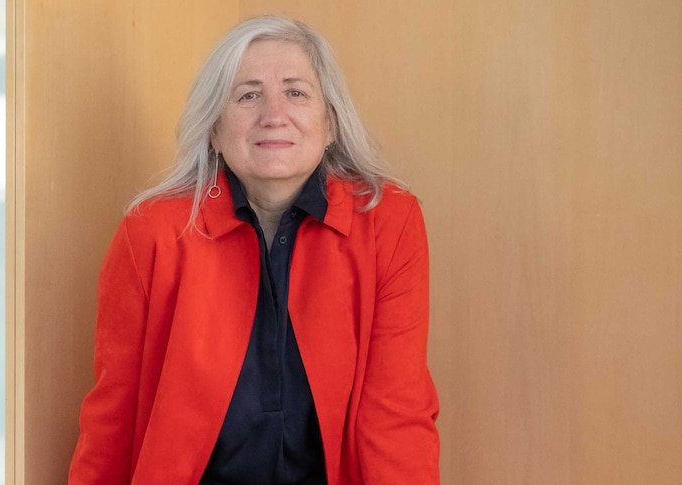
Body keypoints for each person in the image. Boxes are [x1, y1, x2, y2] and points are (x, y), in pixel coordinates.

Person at [68, 15, 439, 485]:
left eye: (296, 92)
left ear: (331, 124)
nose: (273, 114)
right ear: (215, 130)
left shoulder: (389, 222)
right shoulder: (152, 233)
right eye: (248, 95)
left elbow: (397, 415)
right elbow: (112, 417)